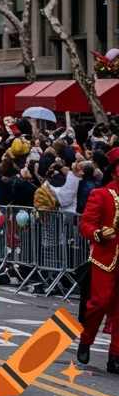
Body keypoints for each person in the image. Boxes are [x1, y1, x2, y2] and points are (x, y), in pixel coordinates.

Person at [77, 147, 119, 371]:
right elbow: (85, 224)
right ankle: (86, 339)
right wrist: (98, 234)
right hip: (105, 257)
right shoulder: (101, 195)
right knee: (99, 303)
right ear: (114, 171)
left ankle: (115, 356)